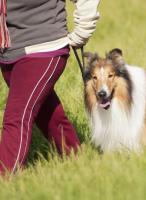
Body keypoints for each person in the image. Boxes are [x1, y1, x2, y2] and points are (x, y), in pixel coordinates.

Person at [0, 0, 100, 174]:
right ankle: (76, 159)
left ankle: (5, 175)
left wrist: (82, 32)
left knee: (17, 116)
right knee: (48, 114)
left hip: (43, 48)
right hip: (9, 52)